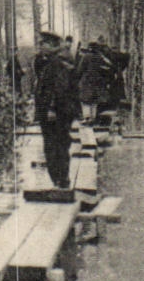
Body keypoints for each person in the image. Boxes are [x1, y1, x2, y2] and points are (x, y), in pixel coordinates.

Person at [33, 32, 78, 189]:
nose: (40, 47)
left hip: (55, 113)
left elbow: (60, 87)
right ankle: (60, 180)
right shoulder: (51, 61)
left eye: (42, 44)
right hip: (57, 112)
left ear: (51, 45)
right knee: (57, 145)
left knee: (55, 145)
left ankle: (60, 180)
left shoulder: (56, 63)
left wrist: (51, 108)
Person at [76, 37, 115, 123]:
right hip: (98, 82)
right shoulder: (100, 57)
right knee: (94, 101)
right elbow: (109, 67)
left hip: (87, 82)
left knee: (85, 100)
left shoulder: (86, 57)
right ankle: (93, 118)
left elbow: (80, 70)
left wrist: (77, 79)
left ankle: (86, 118)